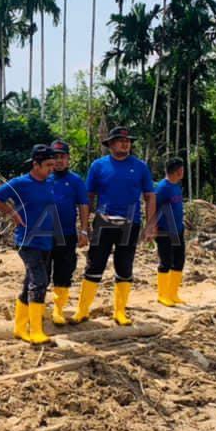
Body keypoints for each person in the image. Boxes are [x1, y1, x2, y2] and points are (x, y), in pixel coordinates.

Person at [73, 126, 156, 326]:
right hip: (103, 222)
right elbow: (88, 197)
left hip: (130, 224)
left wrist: (150, 225)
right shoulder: (98, 166)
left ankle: (119, 312)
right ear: (110, 144)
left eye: (127, 141)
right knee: (94, 265)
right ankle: (82, 310)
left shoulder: (140, 167)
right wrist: (84, 225)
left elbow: (150, 196)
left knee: (124, 267)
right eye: (120, 140)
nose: (125, 143)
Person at [0, 145, 58, 345]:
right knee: (39, 281)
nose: (51, 169)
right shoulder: (21, 183)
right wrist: (12, 214)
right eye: (47, 165)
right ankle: (35, 330)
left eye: (53, 165)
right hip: (27, 240)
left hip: (46, 239)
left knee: (31, 282)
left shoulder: (49, 182)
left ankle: (19, 328)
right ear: (35, 165)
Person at [45, 140, 90, 325]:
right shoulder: (42, 178)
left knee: (64, 271)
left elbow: (83, 205)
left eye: (62, 157)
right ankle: (37, 308)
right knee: (42, 272)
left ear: (68, 159)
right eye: (55, 157)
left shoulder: (75, 180)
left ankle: (58, 309)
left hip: (67, 233)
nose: (59, 161)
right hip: (44, 234)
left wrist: (84, 230)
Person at [154, 158, 187, 306]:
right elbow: (153, 207)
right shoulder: (162, 187)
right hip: (164, 230)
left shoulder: (177, 186)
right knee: (165, 261)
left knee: (179, 261)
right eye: (182, 169)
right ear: (176, 171)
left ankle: (173, 293)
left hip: (178, 229)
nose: (183, 172)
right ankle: (163, 295)